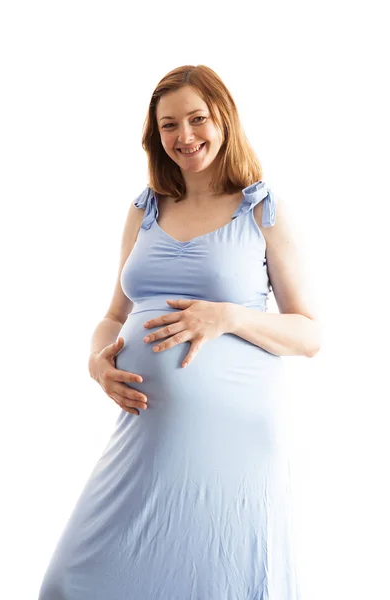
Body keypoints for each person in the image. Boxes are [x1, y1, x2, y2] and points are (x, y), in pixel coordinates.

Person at [38, 64, 320, 600]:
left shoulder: (260, 209)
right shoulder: (144, 209)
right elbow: (114, 314)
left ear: (224, 120)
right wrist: (97, 361)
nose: (185, 137)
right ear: (155, 134)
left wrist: (229, 316)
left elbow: (309, 334)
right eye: (169, 125)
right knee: (70, 582)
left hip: (233, 438)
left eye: (197, 119)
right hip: (147, 432)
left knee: (222, 577)